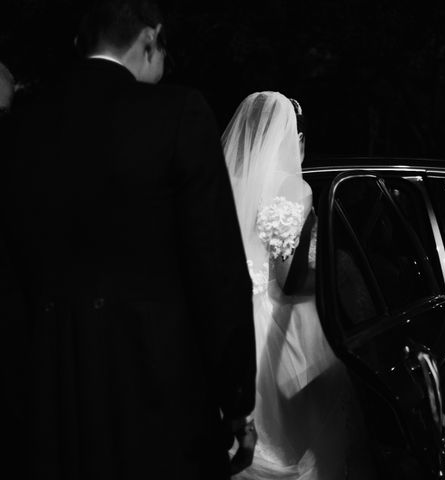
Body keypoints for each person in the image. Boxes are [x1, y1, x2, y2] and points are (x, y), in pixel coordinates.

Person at [1, 1, 256, 478]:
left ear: (81, 44)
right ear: (150, 39)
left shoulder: (18, 127)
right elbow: (216, 269)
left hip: (46, 406)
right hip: (157, 399)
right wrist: (235, 400)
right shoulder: (177, 113)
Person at [222, 92, 374, 479]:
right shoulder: (292, 188)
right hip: (274, 330)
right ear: (291, 136)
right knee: (297, 440)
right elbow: (289, 280)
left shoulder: (223, 181)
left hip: (229, 319)